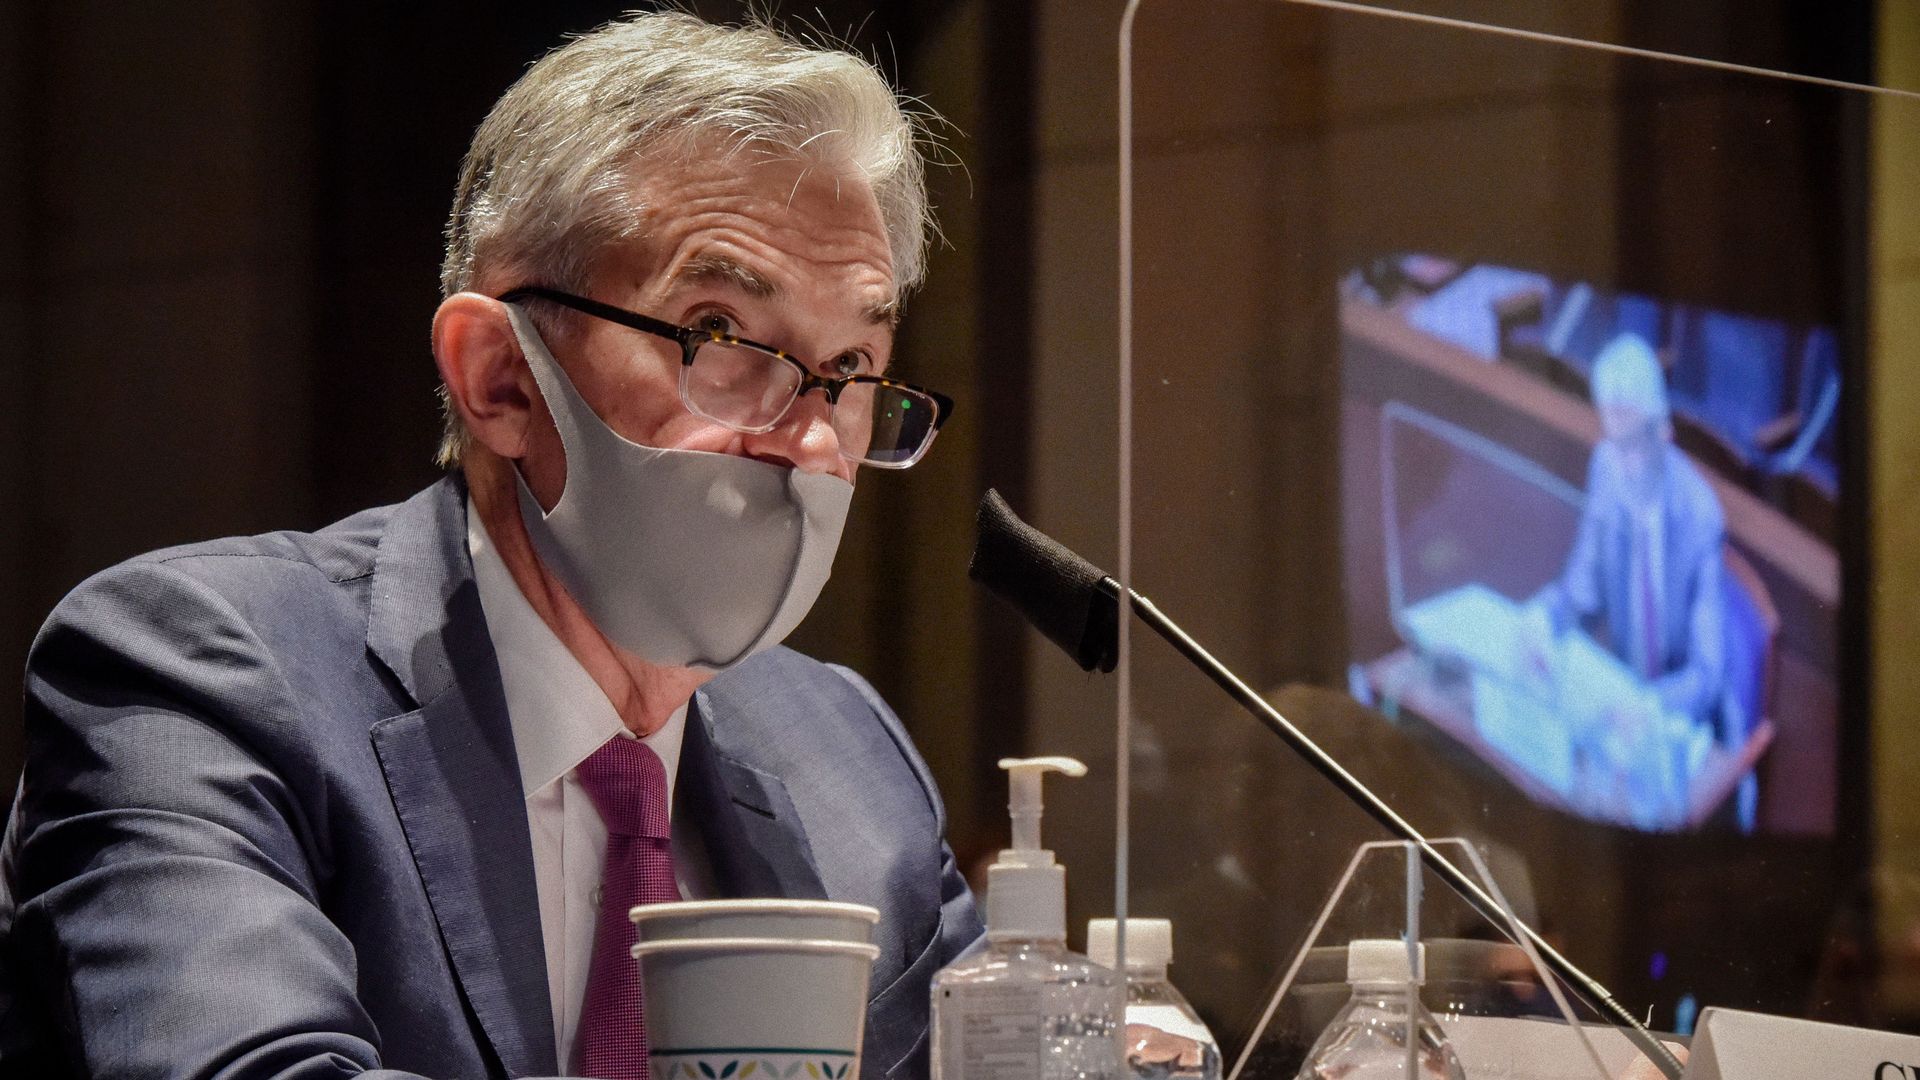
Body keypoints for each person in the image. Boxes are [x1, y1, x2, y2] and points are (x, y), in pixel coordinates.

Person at [0, 13, 981, 1079]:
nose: (806, 442)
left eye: (851, 363)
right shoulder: (204, 677)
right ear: (500, 378)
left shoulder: (850, 765)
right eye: (725, 341)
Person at [1522, 333, 1728, 817]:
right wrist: (1541, 619)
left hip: (1678, 723)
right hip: (1617, 707)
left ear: (1664, 433)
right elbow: (1580, 588)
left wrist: (1651, 706)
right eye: (1616, 447)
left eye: (1635, 448)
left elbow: (1707, 674)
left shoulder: (1700, 516)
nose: (1626, 468)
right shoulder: (1607, 468)